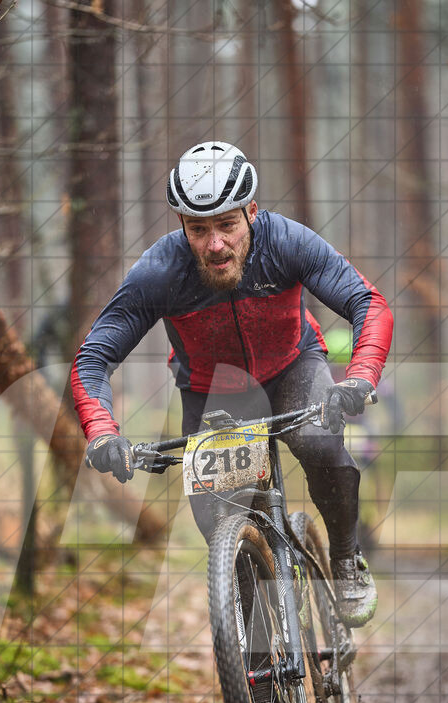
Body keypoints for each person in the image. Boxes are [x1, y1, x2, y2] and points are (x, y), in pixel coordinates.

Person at [72, 141, 393, 627]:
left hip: (292, 366)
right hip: (211, 392)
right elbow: (93, 357)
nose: (214, 244)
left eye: (226, 224)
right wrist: (101, 430)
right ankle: (258, 676)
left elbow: (369, 304)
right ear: (181, 225)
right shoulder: (160, 272)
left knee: (321, 446)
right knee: (224, 527)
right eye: (198, 229)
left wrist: (361, 376)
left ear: (252, 212)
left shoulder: (286, 242)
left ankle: (347, 558)